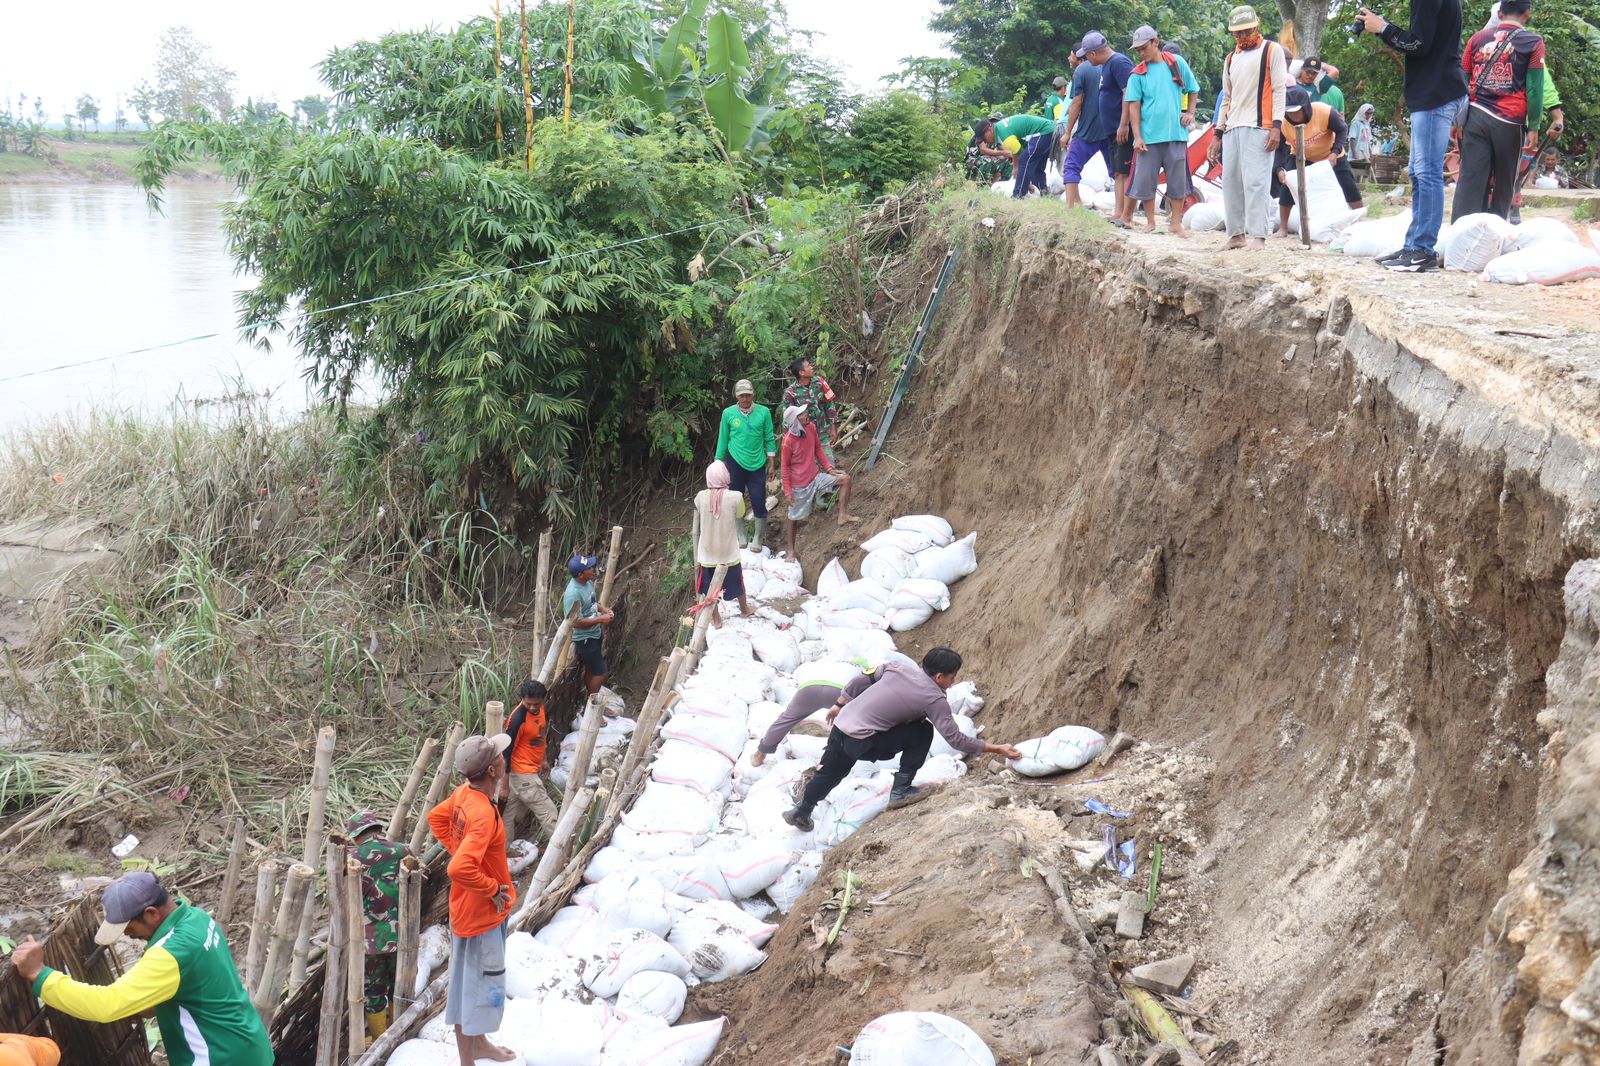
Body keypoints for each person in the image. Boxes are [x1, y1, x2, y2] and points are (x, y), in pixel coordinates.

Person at [10, 872, 272, 1066]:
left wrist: (40, 975)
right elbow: (193, 988)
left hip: (220, 1058)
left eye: (129, 926)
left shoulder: (171, 954)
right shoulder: (197, 919)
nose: (127, 934)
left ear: (151, 914)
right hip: (249, 1045)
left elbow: (107, 1005)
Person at [780, 648, 1024, 831]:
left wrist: (839, 704)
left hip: (840, 728)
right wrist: (996, 748)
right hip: (864, 741)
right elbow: (955, 739)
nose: (952, 682)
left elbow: (859, 680)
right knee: (923, 731)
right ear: (939, 676)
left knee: (831, 773)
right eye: (952, 677)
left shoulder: (895, 667)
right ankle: (901, 789)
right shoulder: (934, 699)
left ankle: (802, 811)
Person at [1356, 0, 1468, 271]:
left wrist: (1382, 28)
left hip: (1434, 93)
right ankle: (1414, 246)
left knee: (1427, 172)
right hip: (1435, 92)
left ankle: (1422, 250)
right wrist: (1385, 25)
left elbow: (1419, 45)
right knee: (1419, 172)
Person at [428, 733, 518, 1066]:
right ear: (494, 769)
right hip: (480, 914)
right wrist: (492, 889)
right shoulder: (481, 813)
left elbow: (436, 818)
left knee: (476, 984)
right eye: (500, 756)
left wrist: (460, 848)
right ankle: (469, 1058)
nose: (503, 758)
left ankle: (479, 1045)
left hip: (473, 909)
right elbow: (459, 868)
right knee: (474, 990)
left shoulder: (465, 793)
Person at [1452, 0, 1545, 222]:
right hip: (1510, 122)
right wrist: (1534, 126)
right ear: (1528, 13)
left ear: (1500, 13)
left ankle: (1460, 237)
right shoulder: (1533, 42)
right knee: (1504, 183)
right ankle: (1495, 234)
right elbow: (1534, 88)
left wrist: (1456, 121)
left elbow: (1462, 81)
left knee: (1470, 181)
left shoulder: (1477, 39)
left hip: (1475, 117)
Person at [1210, 5, 1289, 249]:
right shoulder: (1231, 58)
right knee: (1231, 182)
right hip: (1233, 126)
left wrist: (1276, 126)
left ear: (1256, 27)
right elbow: (1227, 97)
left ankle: (1258, 236)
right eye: (1238, 33)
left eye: (1246, 31)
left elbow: (1279, 89)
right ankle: (1235, 235)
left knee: (1256, 182)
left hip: (1260, 126)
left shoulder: (1271, 50)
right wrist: (1217, 133)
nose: (1242, 37)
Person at [1119, 25, 1199, 237]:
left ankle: (1175, 222)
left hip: (1175, 134)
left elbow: (1193, 89)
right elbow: (1133, 106)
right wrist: (1137, 136)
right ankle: (1151, 221)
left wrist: (1190, 113)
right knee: (1146, 180)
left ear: (1156, 42)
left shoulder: (1176, 63)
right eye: (1137, 50)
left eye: (1144, 48)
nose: (1141, 53)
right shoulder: (1137, 74)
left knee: (1178, 180)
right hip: (1149, 137)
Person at [348, 809, 412, 1039]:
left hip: (370, 942)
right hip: (403, 936)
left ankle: (378, 1040)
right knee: (399, 988)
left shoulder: (353, 859)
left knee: (374, 992)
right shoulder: (402, 851)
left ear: (356, 836)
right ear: (378, 829)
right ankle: (399, 1035)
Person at [1272, 87, 1365, 238]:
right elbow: (1279, 149)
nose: (1293, 115)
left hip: (1330, 154)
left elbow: (1342, 129)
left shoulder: (1324, 112)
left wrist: (1335, 152)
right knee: (1287, 187)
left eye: (1297, 110)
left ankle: (1361, 222)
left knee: (1348, 185)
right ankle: (1283, 228)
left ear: (1306, 107)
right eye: (1289, 111)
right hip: (1301, 156)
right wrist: (1279, 169)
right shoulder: (1283, 123)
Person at [780, 405, 859, 559]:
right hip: (799, 485)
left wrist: (829, 469)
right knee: (793, 517)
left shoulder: (811, 428)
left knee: (845, 479)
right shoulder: (788, 441)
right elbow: (784, 467)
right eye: (801, 414)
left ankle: (842, 515)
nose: (806, 415)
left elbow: (818, 450)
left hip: (815, 476)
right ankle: (790, 550)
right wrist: (788, 492)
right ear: (795, 421)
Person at [713, 378, 776, 548]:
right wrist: (718, 463)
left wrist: (772, 463)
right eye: (742, 396)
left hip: (757, 463)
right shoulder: (728, 414)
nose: (745, 399)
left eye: (748, 395)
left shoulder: (763, 413)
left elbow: (769, 438)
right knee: (736, 499)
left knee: (758, 498)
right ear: (736, 396)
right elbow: (723, 440)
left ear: (753, 394)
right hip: (735, 462)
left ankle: (758, 537)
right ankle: (741, 534)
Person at [1082, 35, 1137, 225]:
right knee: (1118, 172)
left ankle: (1126, 215)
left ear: (1093, 53)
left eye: (1086, 56)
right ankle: (1118, 212)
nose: (1087, 60)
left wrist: (1124, 124)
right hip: (1112, 129)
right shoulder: (1106, 66)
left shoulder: (1119, 62)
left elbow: (1129, 94)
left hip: (1121, 128)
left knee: (1125, 171)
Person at [692, 460, 754, 626]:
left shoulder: (700, 497)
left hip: (707, 554)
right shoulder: (735, 497)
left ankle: (716, 619)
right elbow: (740, 513)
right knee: (737, 583)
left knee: (710, 589)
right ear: (725, 476)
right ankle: (744, 610)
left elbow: (698, 508)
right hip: (728, 552)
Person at [503, 679, 560, 843]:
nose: (533, 707)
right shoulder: (517, 721)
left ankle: (505, 849)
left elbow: (540, 735)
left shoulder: (540, 709)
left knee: (509, 813)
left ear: (543, 700)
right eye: (529, 704)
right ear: (522, 699)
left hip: (527, 769)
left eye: (537, 703)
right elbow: (506, 752)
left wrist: (544, 759)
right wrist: (504, 784)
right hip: (522, 773)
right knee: (549, 813)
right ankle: (561, 850)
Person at [1060, 33, 1111, 209]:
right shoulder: (1112, 65)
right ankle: (1125, 210)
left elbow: (1077, 102)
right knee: (1118, 172)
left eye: (1071, 54)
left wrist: (1067, 133)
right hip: (1110, 130)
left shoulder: (1081, 71)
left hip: (1087, 131)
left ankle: (1070, 206)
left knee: (1071, 166)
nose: (1069, 57)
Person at [562, 553, 614, 697]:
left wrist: (603, 609)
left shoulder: (588, 582)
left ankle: (588, 700)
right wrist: (600, 619)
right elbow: (575, 622)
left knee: (591, 670)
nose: (593, 569)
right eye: (590, 568)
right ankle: (591, 705)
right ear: (580, 574)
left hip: (594, 633)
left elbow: (592, 603)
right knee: (602, 673)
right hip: (585, 639)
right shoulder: (573, 594)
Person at [782, 357, 840, 464]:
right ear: (801, 372)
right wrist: (788, 444)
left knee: (830, 465)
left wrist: (833, 427)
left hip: (822, 434)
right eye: (808, 366)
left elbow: (829, 405)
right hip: (804, 439)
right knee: (811, 471)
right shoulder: (790, 393)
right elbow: (787, 420)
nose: (812, 367)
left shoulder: (820, 383)